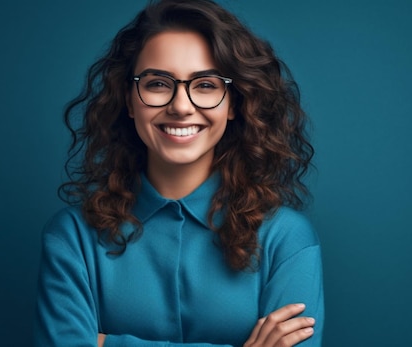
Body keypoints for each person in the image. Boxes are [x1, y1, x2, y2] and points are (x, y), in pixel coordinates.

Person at [34, 0, 324, 346]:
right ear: (129, 99)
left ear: (234, 103)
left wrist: (108, 343)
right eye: (157, 84)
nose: (181, 106)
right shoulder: (71, 236)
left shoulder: (287, 239)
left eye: (205, 85)